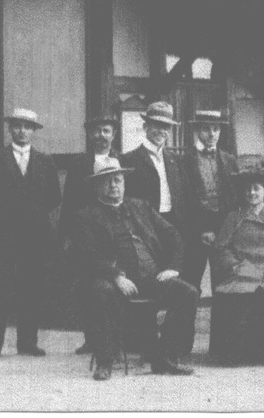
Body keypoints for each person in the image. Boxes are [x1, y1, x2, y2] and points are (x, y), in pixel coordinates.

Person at [70, 157, 198, 379]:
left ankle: (165, 356)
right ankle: (105, 360)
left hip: (150, 277)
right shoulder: (86, 216)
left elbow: (173, 235)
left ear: (124, 182)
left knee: (188, 293)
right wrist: (116, 276)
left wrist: (173, 267)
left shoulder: (140, 206)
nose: (113, 185)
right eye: (107, 181)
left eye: (117, 180)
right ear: (96, 185)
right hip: (112, 279)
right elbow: (86, 256)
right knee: (101, 291)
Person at [0, 108, 62, 362]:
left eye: (27, 127)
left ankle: (28, 342)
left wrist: (33, 214)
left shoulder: (45, 161)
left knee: (31, 286)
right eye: (17, 126)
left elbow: (54, 197)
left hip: (35, 235)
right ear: (10, 129)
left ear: (34, 131)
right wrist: (2, 215)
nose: (22, 131)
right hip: (3, 235)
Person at [209, 166, 264, 366]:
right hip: (241, 274)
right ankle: (239, 354)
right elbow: (222, 248)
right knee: (240, 302)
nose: (251, 193)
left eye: (256, 188)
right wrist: (235, 266)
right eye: (248, 189)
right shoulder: (234, 218)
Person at [59, 116, 119, 356]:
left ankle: (117, 337)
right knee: (88, 284)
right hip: (86, 233)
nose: (101, 135)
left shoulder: (122, 160)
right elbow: (69, 201)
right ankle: (92, 339)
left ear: (113, 135)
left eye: (106, 131)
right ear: (89, 135)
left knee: (114, 280)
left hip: (114, 231)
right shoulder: (79, 164)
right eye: (96, 131)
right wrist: (66, 235)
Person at [183, 110, 239, 293]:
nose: (212, 134)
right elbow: (184, 199)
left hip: (223, 230)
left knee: (222, 284)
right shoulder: (185, 160)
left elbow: (234, 198)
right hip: (195, 231)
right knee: (191, 282)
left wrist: (225, 230)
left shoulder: (229, 160)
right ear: (197, 130)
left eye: (216, 129)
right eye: (206, 129)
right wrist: (202, 229)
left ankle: (220, 315)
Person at [122, 101, 188, 230]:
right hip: (145, 226)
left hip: (174, 224)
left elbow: (185, 196)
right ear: (145, 126)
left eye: (166, 127)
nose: (162, 131)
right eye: (157, 125)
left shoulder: (176, 160)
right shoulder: (129, 160)